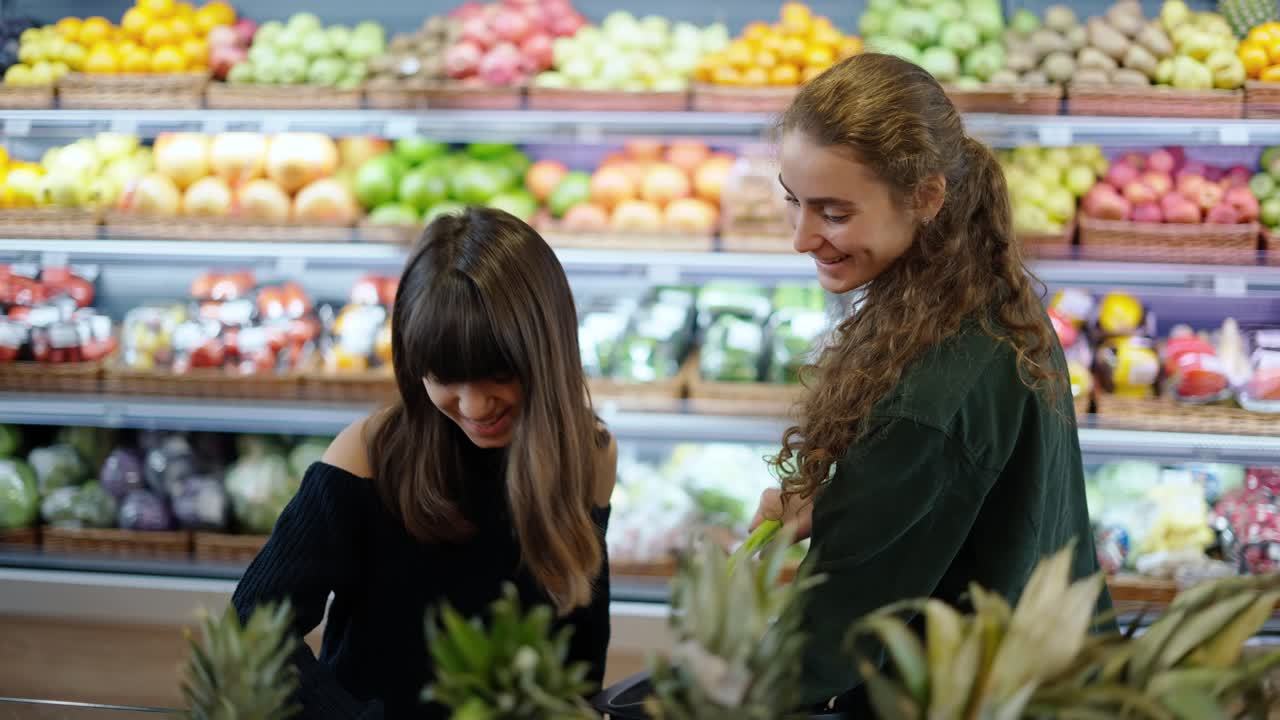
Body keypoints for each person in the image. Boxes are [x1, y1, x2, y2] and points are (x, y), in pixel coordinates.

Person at [748, 53, 1110, 712]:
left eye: (832, 212)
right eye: (793, 202)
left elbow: (828, 642)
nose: (802, 238)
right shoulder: (990, 297)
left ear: (925, 197)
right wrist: (851, 503)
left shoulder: (927, 401)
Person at [232, 207, 617, 719]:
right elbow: (254, 627)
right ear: (415, 368)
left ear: (547, 352)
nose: (476, 406)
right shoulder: (368, 456)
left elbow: (581, 645)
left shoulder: (588, 453)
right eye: (445, 377)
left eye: (499, 374)